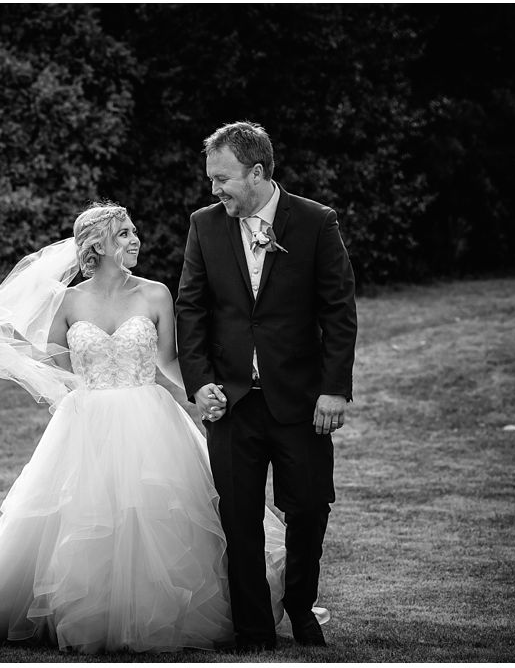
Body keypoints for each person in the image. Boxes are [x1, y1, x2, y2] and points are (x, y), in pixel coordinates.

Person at [0, 202, 327, 654]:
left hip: (148, 419)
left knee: (157, 517)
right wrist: (77, 390)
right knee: (78, 520)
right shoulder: (69, 302)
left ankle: (165, 617)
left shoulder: (156, 295)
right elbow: (57, 360)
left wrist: (202, 389)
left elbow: (170, 360)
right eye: (126, 233)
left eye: (134, 231)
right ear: (99, 245)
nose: (136, 240)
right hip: (87, 422)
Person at [176, 121, 357, 649]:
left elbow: (338, 310)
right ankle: (254, 629)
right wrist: (201, 384)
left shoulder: (315, 222)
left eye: (223, 179)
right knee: (238, 518)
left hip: (302, 401)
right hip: (231, 402)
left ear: (257, 172)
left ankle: (301, 611)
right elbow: (192, 309)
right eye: (211, 180)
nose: (215, 190)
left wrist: (334, 388)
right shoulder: (205, 225)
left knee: (307, 509)